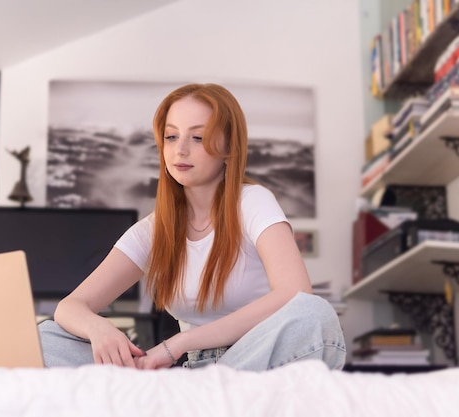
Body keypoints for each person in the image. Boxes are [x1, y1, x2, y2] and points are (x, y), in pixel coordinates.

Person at [38, 83, 346, 371]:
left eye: (197, 137)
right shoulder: (154, 228)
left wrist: (179, 343)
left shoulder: (253, 202)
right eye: (171, 137)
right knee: (47, 337)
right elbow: (71, 306)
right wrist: (99, 328)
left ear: (228, 148)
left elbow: (296, 293)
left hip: (249, 363)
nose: (180, 150)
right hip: (186, 374)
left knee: (313, 316)